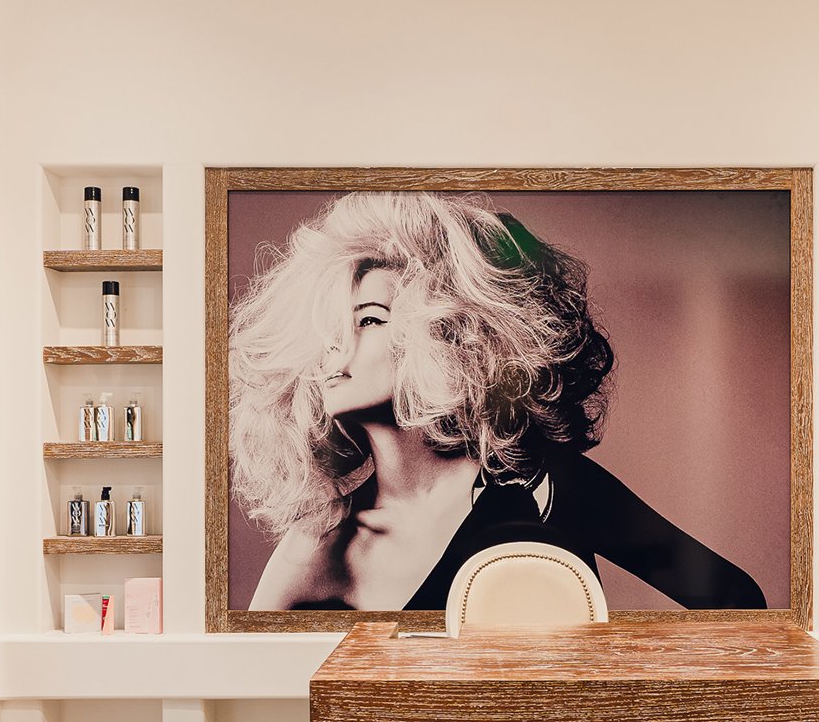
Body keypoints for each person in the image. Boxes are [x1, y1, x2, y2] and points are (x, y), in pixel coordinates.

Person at [228, 190, 766, 612]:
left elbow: (736, 599)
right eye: (331, 325)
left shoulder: (549, 485)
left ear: (447, 334)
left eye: (369, 319)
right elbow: (252, 674)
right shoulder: (325, 543)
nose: (335, 347)